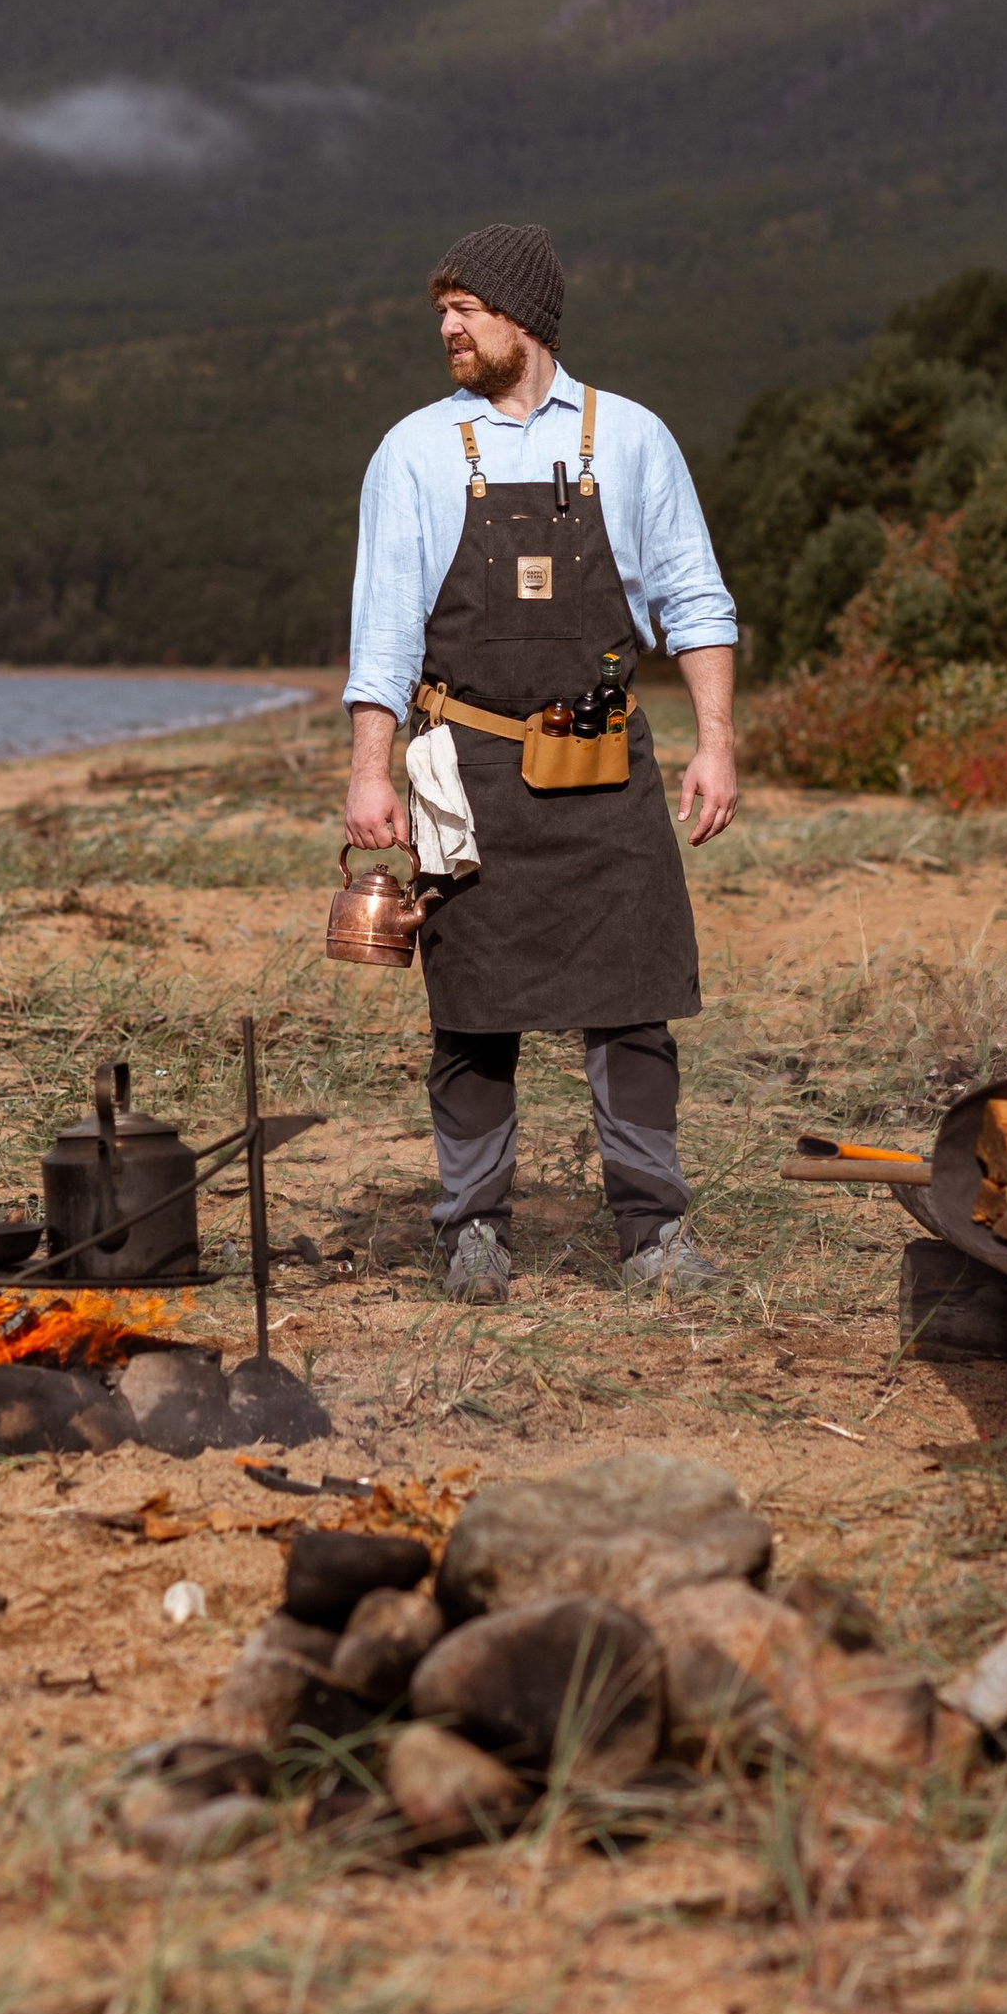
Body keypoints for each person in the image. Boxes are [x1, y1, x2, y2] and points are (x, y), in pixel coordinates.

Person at [343, 219, 740, 1301]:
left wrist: (716, 742)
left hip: (606, 766)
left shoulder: (634, 440)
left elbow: (696, 604)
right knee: (472, 1013)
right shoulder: (416, 450)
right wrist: (368, 769)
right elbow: (382, 633)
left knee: (634, 1004)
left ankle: (652, 1234)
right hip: (465, 771)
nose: (447, 329)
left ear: (524, 316)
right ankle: (471, 1227)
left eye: (465, 310)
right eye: (442, 311)